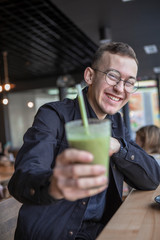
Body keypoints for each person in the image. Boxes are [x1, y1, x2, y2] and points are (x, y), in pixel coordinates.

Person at [8, 42, 160, 240]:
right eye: (113, 75)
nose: (120, 88)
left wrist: (118, 147)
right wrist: (54, 184)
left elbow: (152, 178)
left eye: (129, 82)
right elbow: (21, 179)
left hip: (99, 231)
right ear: (89, 76)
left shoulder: (116, 122)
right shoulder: (53, 115)